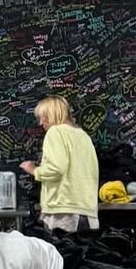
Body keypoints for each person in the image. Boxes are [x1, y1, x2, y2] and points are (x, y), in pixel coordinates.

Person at [21, 96, 100, 233]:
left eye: (43, 117)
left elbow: (56, 169)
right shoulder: (83, 136)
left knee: (60, 247)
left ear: (52, 113)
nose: (41, 123)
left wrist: (34, 170)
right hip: (88, 212)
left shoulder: (55, 132)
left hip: (64, 212)